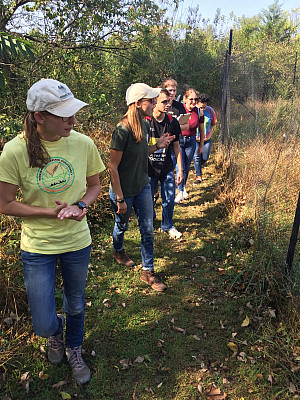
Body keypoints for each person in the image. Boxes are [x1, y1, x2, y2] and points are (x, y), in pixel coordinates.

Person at [0, 79, 105, 385]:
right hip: (37, 246)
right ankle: (54, 334)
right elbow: (5, 203)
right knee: (44, 323)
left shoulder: (83, 143)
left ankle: (74, 347)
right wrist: (50, 212)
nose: (74, 120)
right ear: (39, 117)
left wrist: (81, 206)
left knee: (75, 302)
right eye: (65, 115)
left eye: (73, 113)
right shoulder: (15, 151)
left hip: (76, 242)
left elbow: (95, 185)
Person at [108, 83, 174, 292]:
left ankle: (148, 272)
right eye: (151, 100)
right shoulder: (122, 130)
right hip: (124, 191)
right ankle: (118, 250)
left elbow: (143, 152)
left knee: (147, 229)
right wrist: (119, 198)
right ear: (137, 104)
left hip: (143, 186)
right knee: (122, 226)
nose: (155, 103)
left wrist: (157, 146)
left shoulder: (145, 125)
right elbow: (113, 166)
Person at [146, 89, 184, 239]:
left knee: (168, 198)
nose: (167, 104)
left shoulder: (172, 121)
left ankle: (167, 224)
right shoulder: (146, 121)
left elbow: (176, 146)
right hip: (148, 169)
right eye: (163, 101)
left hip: (167, 167)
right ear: (154, 102)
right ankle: (150, 219)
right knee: (148, 199)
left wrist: (180, 170)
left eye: (168, 101)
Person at [175, 88, 204, 203]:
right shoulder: (180, 109)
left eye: (195, 99)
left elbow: (201, 130)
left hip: (191, 141)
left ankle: (183, 187)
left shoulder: (198, 112)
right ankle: (180, 192)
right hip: (179, 141)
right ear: (185, 99)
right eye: (191, 99)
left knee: (186, 167)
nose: (193, 101)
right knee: (180, 167)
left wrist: (201, 145)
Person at [193, 93, 217, 184]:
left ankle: (198, 166)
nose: (202, 109)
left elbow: (213, 122)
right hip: (195, 139)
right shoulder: (193, 111)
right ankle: (199, 176)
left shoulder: (210, 111)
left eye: (204, 107)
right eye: (200, 107)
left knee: (205, 157)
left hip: (206, 138)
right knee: (196, 157)